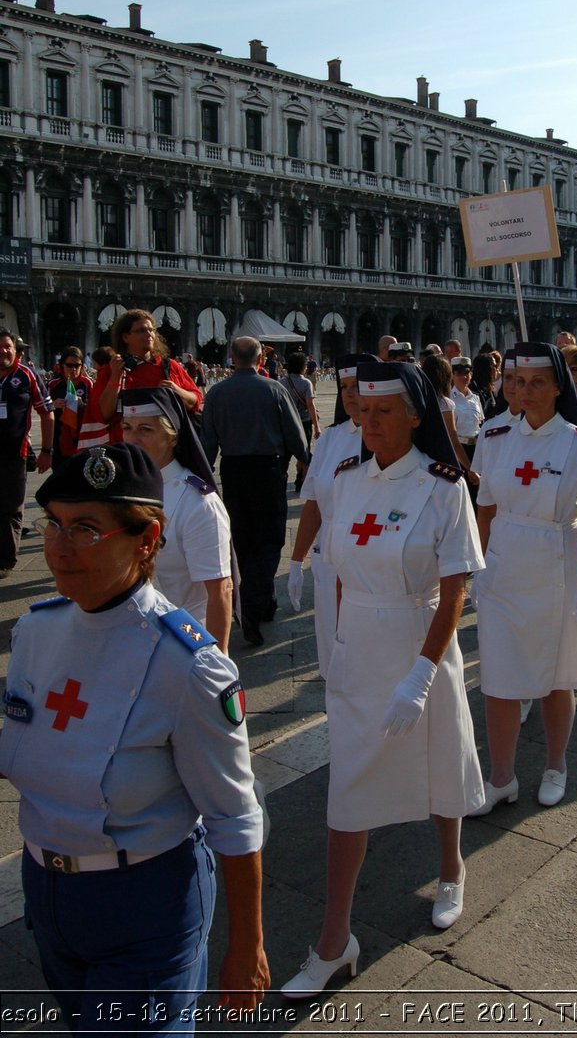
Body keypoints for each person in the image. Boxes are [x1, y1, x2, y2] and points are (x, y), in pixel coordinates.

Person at [0, 444, 268, 1032]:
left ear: (146, 540)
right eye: (56, 525)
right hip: (47, 893)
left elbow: (234, 815)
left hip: (146, 901)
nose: (61, 546)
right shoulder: (36, 632)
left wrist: (246, 944)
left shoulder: (188, 666)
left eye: (88, 529)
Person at [281, 361, 485, 998]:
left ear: (415, 415)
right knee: (348, 791)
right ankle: (335, 942)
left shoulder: (444, 486)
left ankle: (451, 867)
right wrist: (338, 642)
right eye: (362, 411)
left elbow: (455, 586)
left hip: (419, 643)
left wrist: (422, 674)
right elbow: (340, 568)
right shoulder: (345, 479)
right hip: (358, 651)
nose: (367, 422)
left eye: (383, 411)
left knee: (440, 758)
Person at [470, 342, 577, 812]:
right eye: (516, 381)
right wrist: (475, 566)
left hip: (559, 561)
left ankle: (556, 763)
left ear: (558, 387)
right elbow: (485, 508)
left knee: (556, 677)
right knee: (499, 676)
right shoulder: (493, 436)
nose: (524, 391)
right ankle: (501, 777)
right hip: (504, 564)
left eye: (536, 382)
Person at [201, 337, 310, 645]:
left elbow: (208, 442)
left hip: (233, 471)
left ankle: (262, 601)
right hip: (268, 470)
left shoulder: (217, 392)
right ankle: (251, 604)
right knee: (271, 537)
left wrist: (204, 478)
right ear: (261, 359)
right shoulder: (274, 389)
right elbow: (295, 435)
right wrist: (304, 460)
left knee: (243, 538)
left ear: (232, 358)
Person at [121, 386, 234, 650]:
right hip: (128, 632)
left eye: (146, 430)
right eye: (127, 427)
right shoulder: (123, 490)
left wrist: (219, 662)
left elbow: (220, 590)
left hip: (182, 637)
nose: (133, 439)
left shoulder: (197, 503)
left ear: (172, 437)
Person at [287, 352, 379, 677]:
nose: (351, 394)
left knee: (368, 662)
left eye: (358, 386)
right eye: (345, 387)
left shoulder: (388, 439)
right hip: (328, 561)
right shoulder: (330, 439)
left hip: (374, 565)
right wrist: (296, 561)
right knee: (333, 659)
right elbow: (314, 503)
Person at [79, 310, 202, 448]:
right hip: (125, 452)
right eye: (142, 330)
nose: (149, 334)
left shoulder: (170, 367)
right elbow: (102, 415)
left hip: (165, 452)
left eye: (151, 330)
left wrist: (177, 391)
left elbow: (196, 399)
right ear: (125, 337)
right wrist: (115, 378)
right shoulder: (111, 371)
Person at [0, 327, 54, 579]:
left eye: (7, 346)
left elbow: (47, 412)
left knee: (12, 507)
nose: (3, 351)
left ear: (14, 349)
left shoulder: (26, 375)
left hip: (15, 453)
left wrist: (46, 450)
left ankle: (6, 560)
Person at [47, 347, 93, 469]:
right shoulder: (53, 384)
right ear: (62, 366)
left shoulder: (87, 383)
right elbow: (43, 408)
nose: (73, 369)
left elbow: (96, 410)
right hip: (59, 437)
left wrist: (82, 405)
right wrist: (53, 404)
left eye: (77, 365)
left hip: (81, 438)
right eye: (69, 365)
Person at [282, 351, 321, 491]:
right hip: (304, 422)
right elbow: (310, 406)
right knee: (304, 452)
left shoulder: (281, 383)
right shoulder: (306, 383)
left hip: (286, 422)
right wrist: (317, 427)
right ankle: (301, 480)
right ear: (303, 366)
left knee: (285, 453)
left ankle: (281, 478)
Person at [450, 356, 485, 464]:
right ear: (452, 375)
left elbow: (480, 423)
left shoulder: (476, 398)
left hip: (477, 448)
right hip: (458, 449)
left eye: (467, 373)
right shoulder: (449, 399)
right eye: (459, 373)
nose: (464, 377)